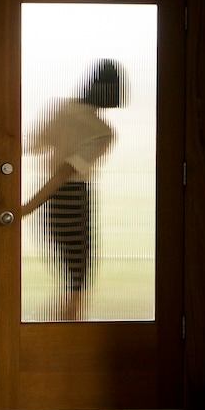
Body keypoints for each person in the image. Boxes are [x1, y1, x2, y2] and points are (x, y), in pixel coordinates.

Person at [21, 59, 125, 321]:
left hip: (54, 202)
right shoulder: (102, 131)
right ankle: (65, 335)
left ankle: (57, 331)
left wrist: (29, 206)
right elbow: (65, 173)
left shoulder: (62, 108)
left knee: (68, 278)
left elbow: (34, 144)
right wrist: (25, 208)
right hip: (74, 200)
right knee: (76, 281)